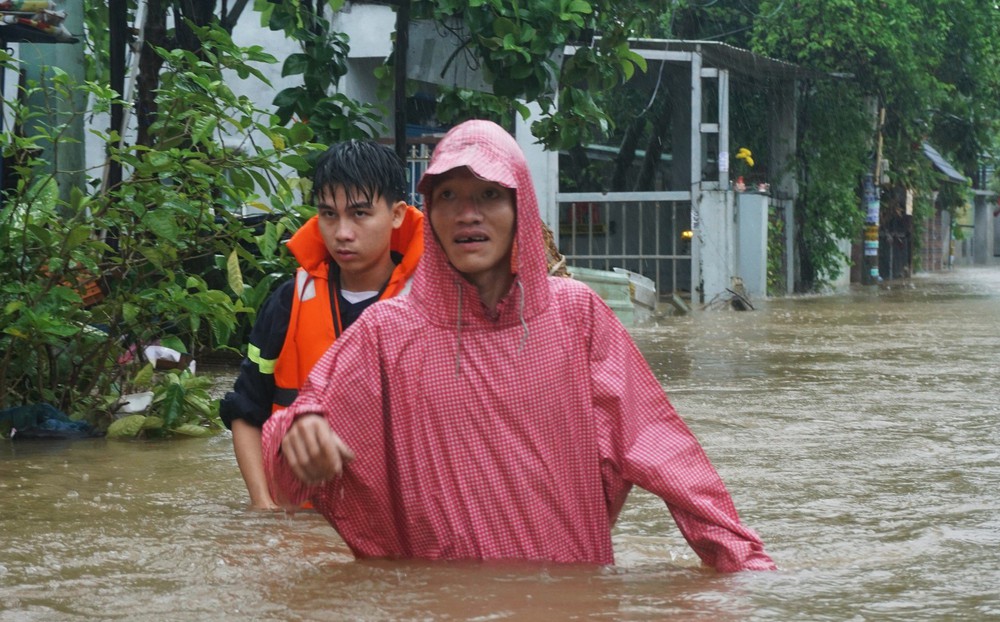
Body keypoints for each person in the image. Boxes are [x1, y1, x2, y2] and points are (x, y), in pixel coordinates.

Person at [262, 120, 775, 572]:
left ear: (520, 207)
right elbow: (285, 459)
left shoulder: (577, 316)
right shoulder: (387, 331)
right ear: (428, 212)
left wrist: (742, 559)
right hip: (439, 606)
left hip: (569, 598)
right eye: (449, 197)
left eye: (488, 195)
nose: (467, 215)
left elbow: (665, 452)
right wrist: (299, 431)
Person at [220, 140, 424, 510]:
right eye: (329, 214)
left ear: (396, 215)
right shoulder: (288, 301)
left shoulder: (428, 305)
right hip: (297, 519)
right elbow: (246, 410)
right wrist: (263, 507)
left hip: (392, 521)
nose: (342, 232)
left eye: (360, 214)